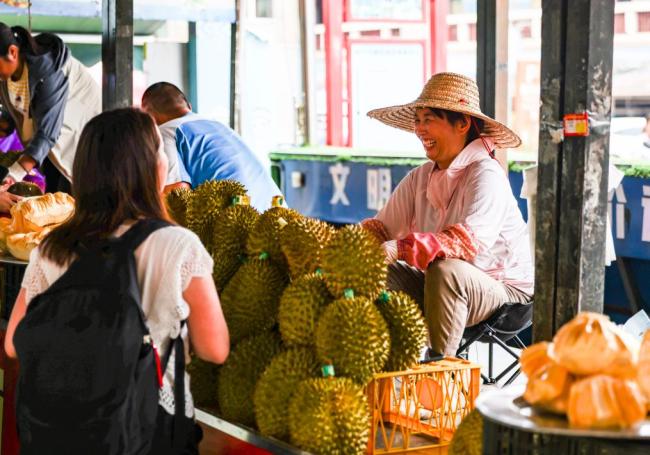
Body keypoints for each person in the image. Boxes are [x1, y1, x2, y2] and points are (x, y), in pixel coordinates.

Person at [4, 108, 229, 452]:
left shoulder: (51, 248)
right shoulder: (178, 244)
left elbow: (12, 344)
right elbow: (214, 349)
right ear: (153, 168)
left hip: (65, 434)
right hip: (150, 431)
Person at [363, 72, 534, 358]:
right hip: (440, 287)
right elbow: (380, 229)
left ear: (463, 123)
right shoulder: (419, 179)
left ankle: (439, 372)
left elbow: (466, 244)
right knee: (375, 268)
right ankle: (384, 363)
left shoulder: (486, 174)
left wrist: (400, 248)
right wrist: (341, 251)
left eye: (428, 119)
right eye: (417, 120)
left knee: (446, 269)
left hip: (507, 298)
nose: (419, 129)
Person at [141, 82, 284, 211]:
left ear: (150, 119)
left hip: (240, 224)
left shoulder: (166, 132)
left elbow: (177, 198)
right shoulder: (218, 125)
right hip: (278, 214)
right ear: (189, 106)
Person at [0, 24, 101, 193]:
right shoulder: (6, 77)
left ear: (12, 52)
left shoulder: (49, 70)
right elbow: (22, 111)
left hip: (81, 147)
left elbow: (47, 132)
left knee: (74, 202)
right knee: (55, 200)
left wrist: (13, 174)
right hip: (50, 152)